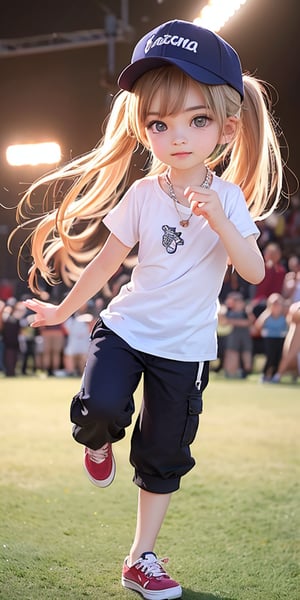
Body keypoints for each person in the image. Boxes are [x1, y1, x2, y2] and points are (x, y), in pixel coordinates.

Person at [12, 20, 285, 600]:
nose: (177, 136)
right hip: (128, 329)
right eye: (159, 124)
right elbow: (109, 261)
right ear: (144, 129)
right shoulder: (141, 195)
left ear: (227, 128)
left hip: (185, 351)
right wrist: (63, 311)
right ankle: (98, 440)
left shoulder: (229, 198)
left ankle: (142, 558)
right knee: (100, 409)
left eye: (197, 120)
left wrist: (218, 218)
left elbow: (256, 272)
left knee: (163, 454)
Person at [254, 293, 288, 382]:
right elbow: (258, 326)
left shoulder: (284, 316)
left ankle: (274, 375)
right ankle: (264, 374)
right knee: (270, 356)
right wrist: (267, 313)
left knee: (278, 357)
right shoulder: (266, 315)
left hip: (281, 339)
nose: (276, 306)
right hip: (269, 338)